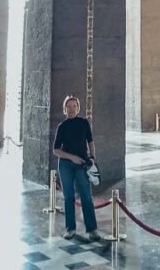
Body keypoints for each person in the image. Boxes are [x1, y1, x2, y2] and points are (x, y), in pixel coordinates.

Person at [53, 95, 101, 240]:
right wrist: (71, 157)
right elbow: (56, 150)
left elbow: (90, 141)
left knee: (86, 196)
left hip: (82, 164)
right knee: (68, 196)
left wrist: (92, 157)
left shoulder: (84, 123)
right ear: (65, 109)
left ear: (78, 108)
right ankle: (70, 229)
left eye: (74, 106)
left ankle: (92, 229)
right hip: (66, 164)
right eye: (68, 106)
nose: (71, 109)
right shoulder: (62, 127)